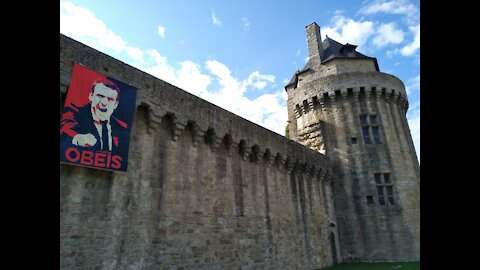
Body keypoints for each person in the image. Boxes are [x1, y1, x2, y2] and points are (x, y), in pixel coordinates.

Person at [60, 77, 130, 168]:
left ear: (116, 104)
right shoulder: (75, 113)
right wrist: (78, 137)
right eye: (100, 96)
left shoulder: (122, 127)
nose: (104, 103)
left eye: (110, 99)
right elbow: (66, 126)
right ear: (91, 96)